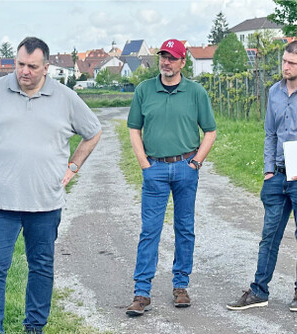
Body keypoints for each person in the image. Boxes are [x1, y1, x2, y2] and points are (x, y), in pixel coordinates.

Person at [0, 37, 102, 334]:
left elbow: (93, 132)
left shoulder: (65, 97)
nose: (24, 71)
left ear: (46, 67)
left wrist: (73, 167)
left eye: (32, 66)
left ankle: (35, 327)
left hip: (45, 203)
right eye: (20, 64)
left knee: (41, 267)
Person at [226, 40, 297, 313]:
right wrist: (267, 169)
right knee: (269, 236)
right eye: (284, 61)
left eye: (291, 63)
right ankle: (258, 291)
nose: (285, 67)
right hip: (277, 175)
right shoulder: (274, 92)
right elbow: (270, 133)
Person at [125, 38, 217, 316]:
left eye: (171, 58)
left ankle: (181, 286)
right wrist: (144, 164)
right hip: (155, 168)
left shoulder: (196, 92)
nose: (166, 62)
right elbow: (134, 129)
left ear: (182, 62)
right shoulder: (144, 90)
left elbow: (210, 131)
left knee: (184, 228)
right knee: (150, 230)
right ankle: (142, 293)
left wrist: (196, 162)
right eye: (163, 57)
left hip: (185, 167)